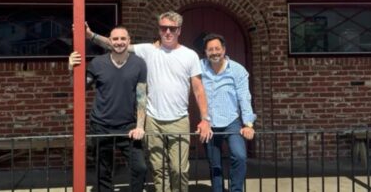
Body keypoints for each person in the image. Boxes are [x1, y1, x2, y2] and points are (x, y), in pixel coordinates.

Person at [85, 11, 213, 192]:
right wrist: (91, 36)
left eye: (172, 28)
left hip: (179, 120)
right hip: (153, 120)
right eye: (163, 28)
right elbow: (116, 44)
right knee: (158, 170)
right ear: (159, 30)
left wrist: (205, 119)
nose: (167, 32)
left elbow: (199, 89)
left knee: (179, 169)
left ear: (179, 31)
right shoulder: (148, 50)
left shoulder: (190, 55)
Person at [69, 26, 148, 192]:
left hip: (128, 127)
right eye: (115, 39)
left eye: (123, 39)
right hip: (101, 125)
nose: (119, 42)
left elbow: (141, 97)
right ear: (110, 42)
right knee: (103, 171)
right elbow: (79, 87)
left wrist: (140, 126)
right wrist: (71, 69)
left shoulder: (139, 63)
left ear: (129, 41)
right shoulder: (98, 63)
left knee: (140, 167)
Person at [200, 33, 256, 192]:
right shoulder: (200, 67)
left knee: (239, 156)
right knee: (214, 163)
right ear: (205, 52)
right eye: (210, 49)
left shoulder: (237, 70)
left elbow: (245, 97)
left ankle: (236, 190)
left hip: (232, 122)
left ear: (224, 50)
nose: (214, 52)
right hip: (209, 124)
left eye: (217, 48)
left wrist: (248, 124)